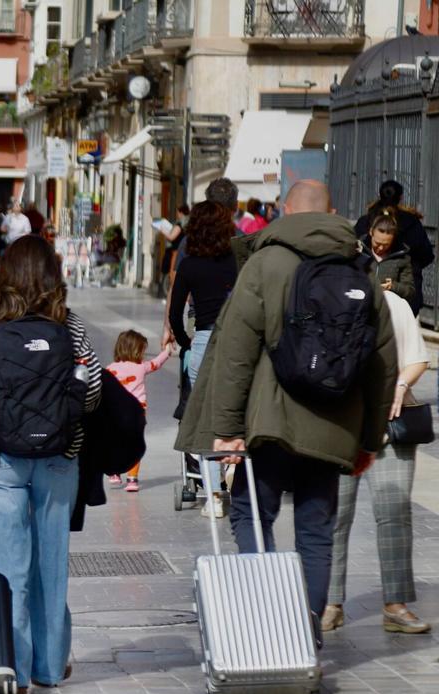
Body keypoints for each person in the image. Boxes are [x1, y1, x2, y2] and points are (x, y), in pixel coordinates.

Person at [174, 179, 398, 636]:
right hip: (335, 425)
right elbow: (383, 364)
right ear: (331, 210)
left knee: (251, 513)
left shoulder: (266, 263)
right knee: (316, 531)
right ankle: (308, 625)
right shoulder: (359, 269)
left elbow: (236, 350)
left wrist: (227, 427)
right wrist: (369, 439)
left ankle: (267, 615)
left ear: (285, 211)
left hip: (269, 424)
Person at [0, 235, 102, 694]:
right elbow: (90, 394)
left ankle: (12, 665)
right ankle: (51, 666)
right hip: (58, 459)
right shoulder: (69, 325)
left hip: (1, 458)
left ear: (5, 271)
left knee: (4, 565)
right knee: (51, 566)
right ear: (53, 273)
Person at [324, 280, 431, 635]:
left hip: (392, 423)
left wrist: (400, 386)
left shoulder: (394, 304)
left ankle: (395, 604)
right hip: (341, 426)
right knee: (334, 516)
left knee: (394, 515)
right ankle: (330, 603)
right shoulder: (327, 301)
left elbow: (417, 359)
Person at [167, 200, 239, 518]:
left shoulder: (190, 265)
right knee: (235, 414)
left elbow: (174, 313)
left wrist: (187, 344)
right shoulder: (236, 261)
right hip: (236, 342)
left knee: (205, 423)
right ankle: (235, 469)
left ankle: (213, 496)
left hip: (204, 341)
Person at [162, 178, 240, 348]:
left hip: (199, 326)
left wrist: (169, 329)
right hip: (237, 332)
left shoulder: (190, 243)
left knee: (193, 368)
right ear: (236, 206)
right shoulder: (243, 242)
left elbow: (176, 285)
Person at [105, 330, 171, 492]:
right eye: (142, 350)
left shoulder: (110, 368)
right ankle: (132, 480)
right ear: (136, 351)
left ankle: (114, 473)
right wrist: (167, 351)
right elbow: (156, 363)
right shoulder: (141, 367)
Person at [355, 179, 433, 315]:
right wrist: (413, 267)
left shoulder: (365, 221)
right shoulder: (412, 223)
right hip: (406, 299)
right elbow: (426, 255)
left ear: (380, 195)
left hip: (366, 298)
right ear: (401, 198)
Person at [364, 210, 415, 306]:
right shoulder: (359, 251)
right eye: (377, 243)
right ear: (371, 232)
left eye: (386, 245)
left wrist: (393, 286)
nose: (381, 248)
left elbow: (410, 291)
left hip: (387, 309)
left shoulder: (402, 257)